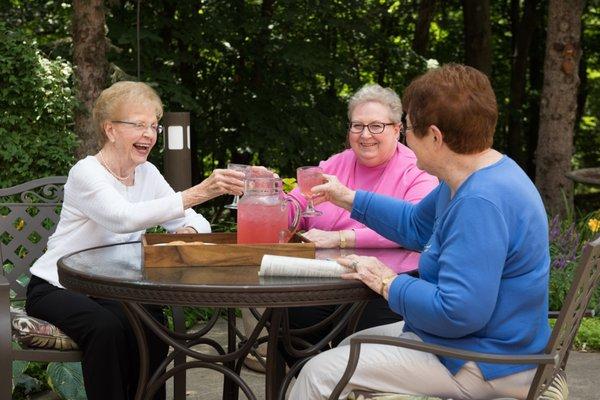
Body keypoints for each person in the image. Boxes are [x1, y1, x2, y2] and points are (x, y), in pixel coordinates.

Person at [290, 64, 551, 399]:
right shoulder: (476, 174)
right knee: (346, 345)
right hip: (476, 344)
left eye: (409, 129)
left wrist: (388, 281)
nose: (405, 138)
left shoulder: (479, 202)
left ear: (435, 137)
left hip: (483, 361)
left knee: (318, 373)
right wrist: (347, 197)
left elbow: (458, 313)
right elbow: (415, 224)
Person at [25, 81, 249, 400]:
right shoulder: (86, 173)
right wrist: (200, 192)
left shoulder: (147, 174)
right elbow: (123, 217)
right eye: (139, 125)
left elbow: (192, 220)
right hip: (58, 286)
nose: (149, 134)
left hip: (113, 289)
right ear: (111, 130)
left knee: (150, 321)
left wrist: (190, 231)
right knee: (105, 328)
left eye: (154, 125)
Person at [274, 84, 438, 366]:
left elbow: (415, 227)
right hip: (324, 279)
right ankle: (319, 387)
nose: (365, 135)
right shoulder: (336, 164)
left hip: (386, 285)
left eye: (376, 126)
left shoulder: (417, 170)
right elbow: (295, 208)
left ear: (397, 129)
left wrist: (340, 238)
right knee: (288, 327)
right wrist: (269, 195)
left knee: (362, 351)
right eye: (357, 126)